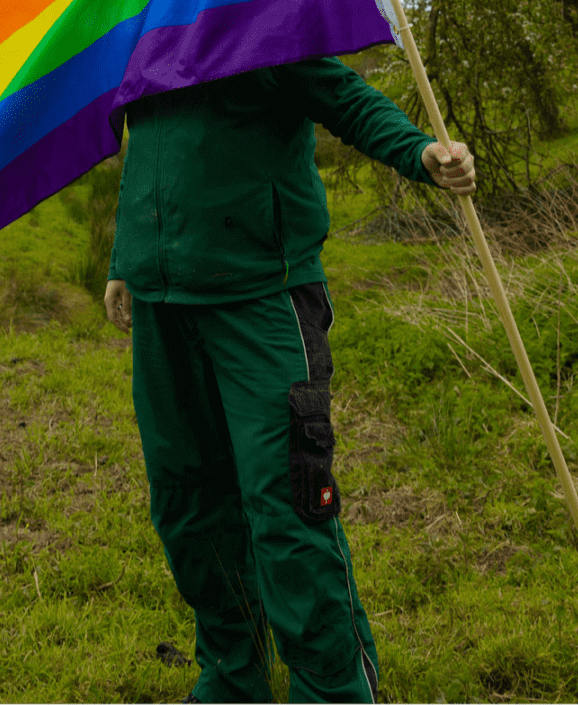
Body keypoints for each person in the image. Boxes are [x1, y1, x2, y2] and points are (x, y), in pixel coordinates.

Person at [103, 55, 475, 705]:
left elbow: (347, 99)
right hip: (163, 301)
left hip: (262, 298)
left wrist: (421, 153)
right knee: (189, 503)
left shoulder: (265, 19)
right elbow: (152, 152)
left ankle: (332, 688)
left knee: (287, 503)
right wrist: (126, 255)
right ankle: (231, 676)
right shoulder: (145, 26)